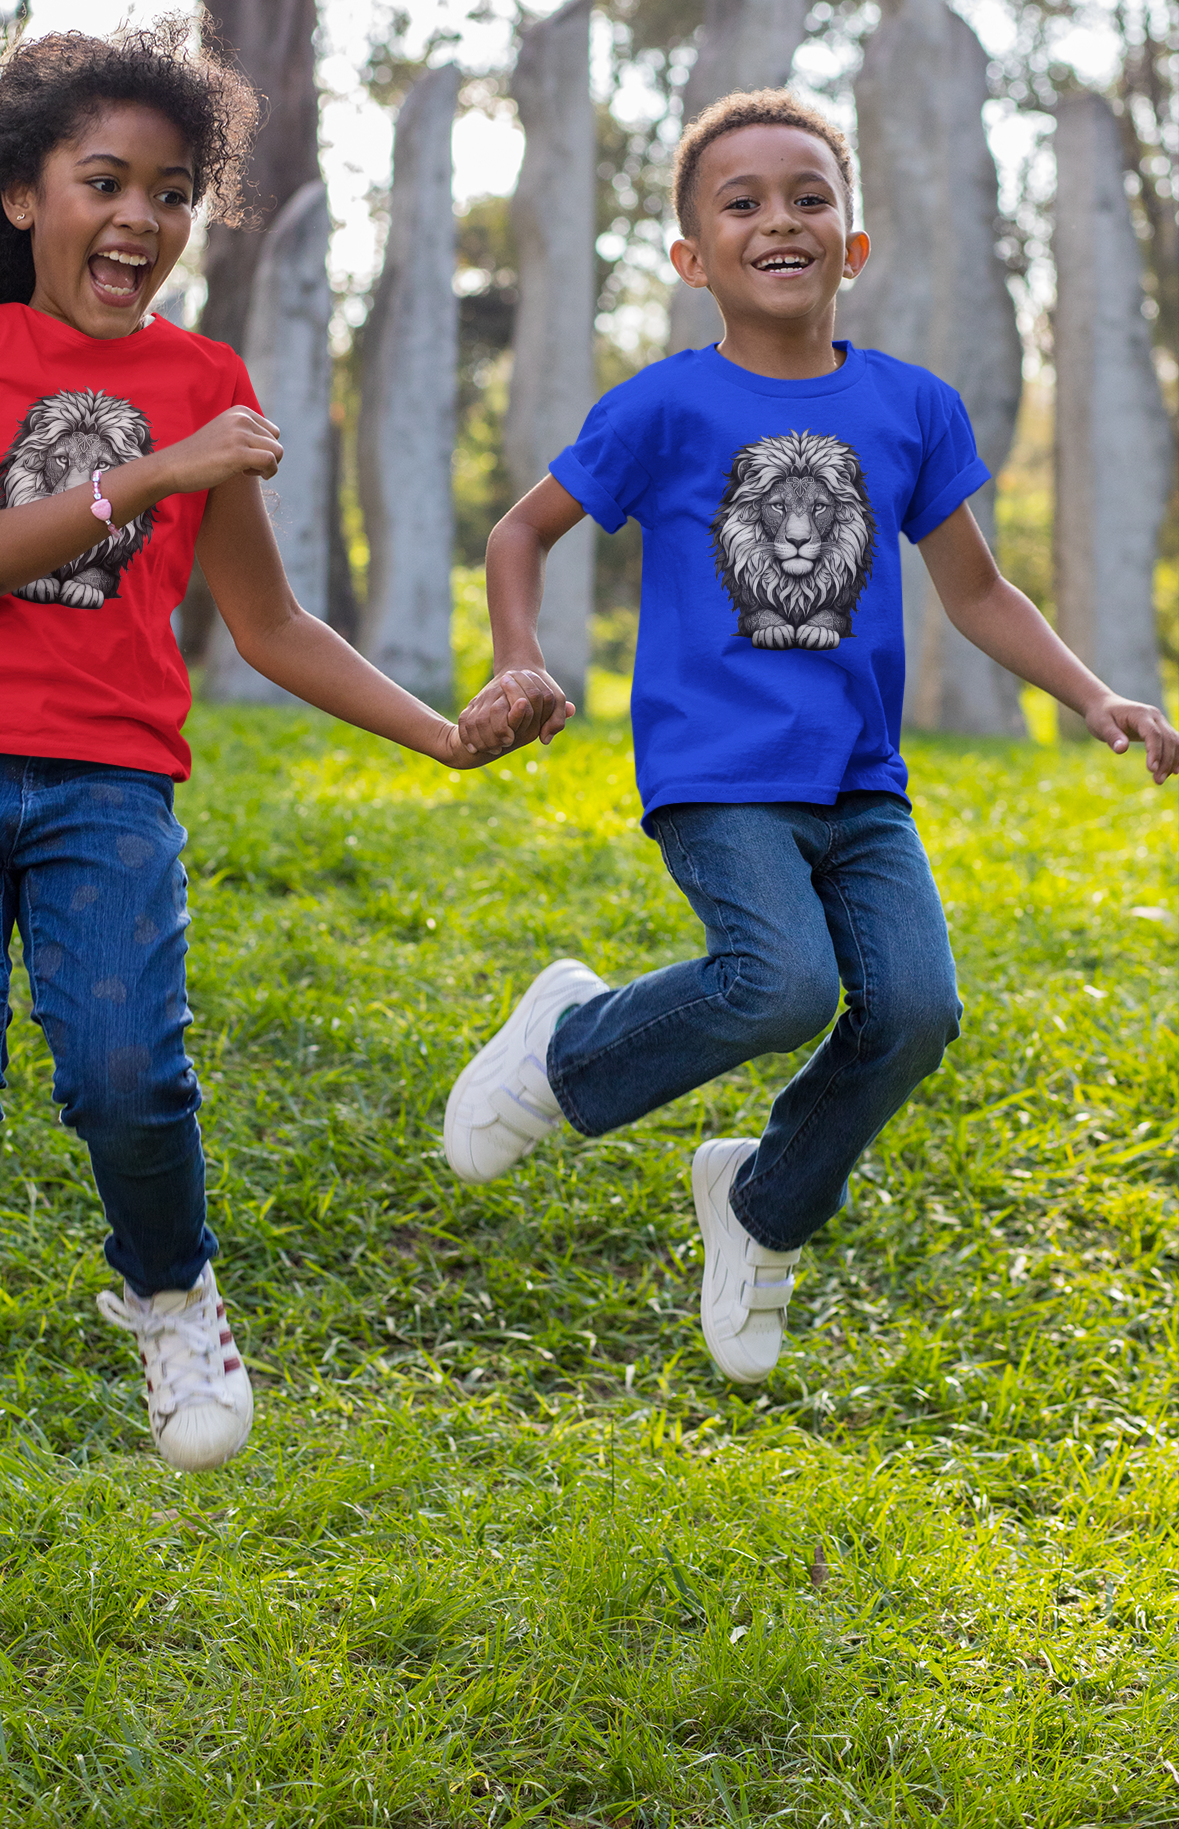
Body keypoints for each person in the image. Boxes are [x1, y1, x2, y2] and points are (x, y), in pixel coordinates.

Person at [0, 20, 557, 1471]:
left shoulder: (204, 375)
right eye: (105, 181)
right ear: (22, 198)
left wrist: (443, 737)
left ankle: (173, 1292)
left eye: (171, 192)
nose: (140, 218)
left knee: (128, 1077)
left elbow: (271, 621)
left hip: (111, 780)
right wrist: (161, 467)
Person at [448, 85, 1178, 1386]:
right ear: (692, 257)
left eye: (809, 198)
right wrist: (520, 658)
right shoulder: (660, 410)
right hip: (717, 776)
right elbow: (521, 533)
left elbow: (977, 591)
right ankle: (564, 1048)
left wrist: (1093, 695)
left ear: (853, 243)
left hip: (859, 786)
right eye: (743, 202)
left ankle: (762, 1202)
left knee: (914, 1011)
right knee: (782, 984)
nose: (779, 218)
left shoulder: (911, 408)